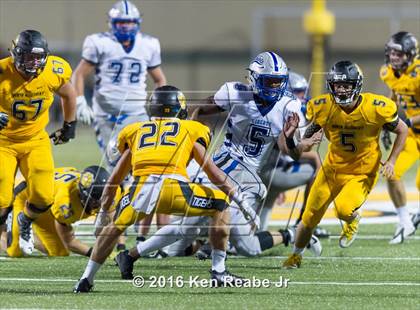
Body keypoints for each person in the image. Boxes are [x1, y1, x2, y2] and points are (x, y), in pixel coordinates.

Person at [73, 86, 258, 293]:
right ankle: (219, 271)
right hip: (174, 190)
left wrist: (105, 213)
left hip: (140, 191)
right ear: (178, 108)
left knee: (114, 229)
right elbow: (212, 171)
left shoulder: (136, 130)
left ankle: (85, 279)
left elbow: (114, 179)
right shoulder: (191, 129)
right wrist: (240, 201)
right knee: (221, 206)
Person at [283, 60, 408, 269]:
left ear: (356, 85)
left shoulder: (375, 107)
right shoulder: (323, 108)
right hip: (332, 170)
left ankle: (352, 221)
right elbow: (300, 150)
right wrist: (293, 141)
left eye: (346, 85)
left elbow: (402, 129)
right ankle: (296, 256)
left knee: (343, 210)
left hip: (362, 172)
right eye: (337, 85)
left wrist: (393, 160)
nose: (341, 90)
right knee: (309, 217)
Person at [0, 29, 77, 255]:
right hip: (3, 142)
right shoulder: (3, 72)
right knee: (2, 199)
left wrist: (69, 125)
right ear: (16, 54)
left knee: (44, 196)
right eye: (28, 56)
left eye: (38, 57)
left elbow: (69, 95)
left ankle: (24, 220)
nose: (34, 62)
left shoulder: (53, 71)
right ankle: (5, 233)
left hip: (35, 139)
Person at [73, 0, 166, 169]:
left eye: (130, 22)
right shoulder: (99, 42)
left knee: (146, 160)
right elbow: (79, 74)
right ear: (112, 23)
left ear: (137, 23)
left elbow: (159, 79)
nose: (126, 27)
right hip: (107, 116)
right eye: (121, 22)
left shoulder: (149, 44)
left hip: (136, 113)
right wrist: (80, 102)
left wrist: (159, 107)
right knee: (114, 164)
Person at [259, 71, 328, 238]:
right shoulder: (287, 111)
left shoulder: (270, 108)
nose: (303, 96)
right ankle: (304, 222)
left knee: (264, 203)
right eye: (298, 92)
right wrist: (310, 147)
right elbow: (289, 150)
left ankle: (257, 232)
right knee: (319, 173)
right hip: (266, 170)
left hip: (261, 167)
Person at [7, 166, 110, 257]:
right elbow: (70, 241)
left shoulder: (86, 185)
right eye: (95, 200)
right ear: (83, 194)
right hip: (23, 197)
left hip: (46, 206)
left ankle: (26, 236)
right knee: (14, 251)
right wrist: (98, 254)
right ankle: (7, 225)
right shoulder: (65, 202)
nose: (100, 204)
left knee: (59, 253)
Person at [380, 31, 420, 243]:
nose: (394, 57)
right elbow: (394, 95)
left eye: (399, 53)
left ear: (410, 54)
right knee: (392, 172)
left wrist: (409, 121)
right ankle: (405, 221)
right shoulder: (387, 72)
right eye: (391, 52)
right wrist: (390, 123)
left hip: (413, 126)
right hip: (412, 135)